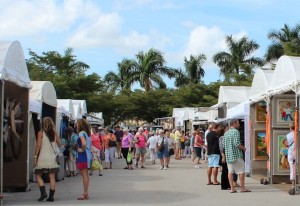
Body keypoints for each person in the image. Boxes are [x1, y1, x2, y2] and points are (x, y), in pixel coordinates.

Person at [34, 117, 61, 202]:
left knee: (38, 175)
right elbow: (60, 144)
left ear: (44, 123)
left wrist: (35, 156)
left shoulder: (40, 133)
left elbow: (38, 145)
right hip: (52, 157)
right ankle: (51, 197)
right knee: (51, 176)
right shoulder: (54, 132)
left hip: (42, 157)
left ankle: (43, 193)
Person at [224, 119, 251, 193]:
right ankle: (242, 188)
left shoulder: (226, 133)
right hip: (236, 155)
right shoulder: (236, 132)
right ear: (234, 123)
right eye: (238, 123)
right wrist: (243, 148)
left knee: (230, 172)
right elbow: (236, 144)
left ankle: (232, 188)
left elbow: (224, 145)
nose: (239, 124)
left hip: (229, 155)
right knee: (241, 171)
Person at [75, 118, 92, 200]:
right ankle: (86, 192)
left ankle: (85, 193)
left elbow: (84, 144)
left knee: (84, 175)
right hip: (87, 155)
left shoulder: (81, 133)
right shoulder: (87, 133)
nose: (76, 125)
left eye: (77, 123)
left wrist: (81, 149)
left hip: (83, 155)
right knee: (85, 175)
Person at [218, 124, 230, 190]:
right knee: (225, 170)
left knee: (227, 170)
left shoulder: (224, 137)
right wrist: (223, 156)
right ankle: (224, 185)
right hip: (224, 155)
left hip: (225, 154)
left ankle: (227, 184)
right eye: (227, 128)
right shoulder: (222, 138)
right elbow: (221, 148)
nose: (228, 129)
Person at [287, 122, 296, 191]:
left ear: (290, 128)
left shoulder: (288, 135)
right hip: (297, 153)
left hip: (291, 153)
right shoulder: (297, 135)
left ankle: (293, 185)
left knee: (292, 168)